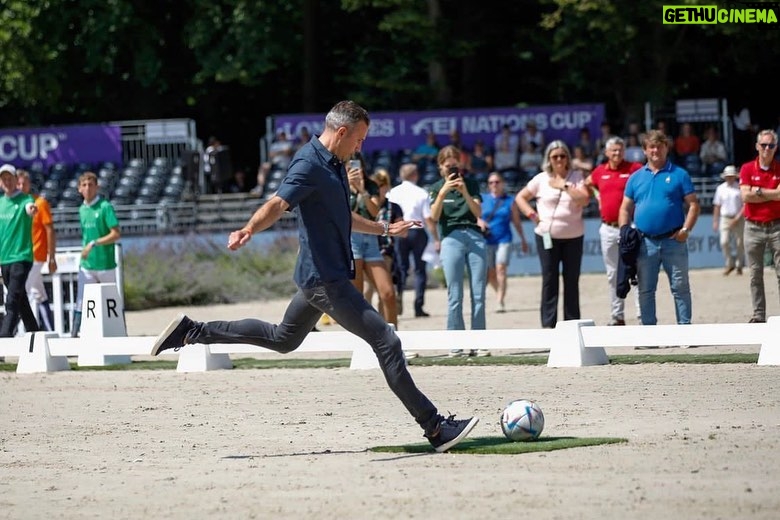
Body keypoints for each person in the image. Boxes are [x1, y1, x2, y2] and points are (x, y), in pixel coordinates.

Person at [150, 100, 479, 452]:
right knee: (387, 341)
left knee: (282, 339)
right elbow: (278, 203)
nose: (360, 147)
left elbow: (344, 216)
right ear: (341, 132)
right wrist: (248, 229)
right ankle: (434, 428)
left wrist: (385, 228)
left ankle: (193, 331)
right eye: (359, 140)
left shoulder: (337, 163)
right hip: (326, 279)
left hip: (320, 276)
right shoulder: (309, 164)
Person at [618, 130, 700, 328]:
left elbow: (694, 205)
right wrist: (624, 230)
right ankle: (649, 332)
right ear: (645, 150)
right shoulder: (635, 178)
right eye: (651, 147)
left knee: (680, 287)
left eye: (659, 146)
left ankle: (685, 329)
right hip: (645, 241)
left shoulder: (680, 175)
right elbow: (625, 207)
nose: (655, 150)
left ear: (666, 148)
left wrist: (686, 230)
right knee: (646, 289)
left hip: (674, 240)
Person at [515, 141, 591, 328]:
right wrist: (532, 215)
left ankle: (572, 323)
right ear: (548, 159)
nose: (559, 159)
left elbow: (585, 200)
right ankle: (548, 324)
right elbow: (520, 198)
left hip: (573, 236)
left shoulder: (576, 176)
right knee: (549, 279)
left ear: (568, 158)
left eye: (562, 156)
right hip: (546, 235)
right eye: (554, 156)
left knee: (571, 279)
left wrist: (564, 185)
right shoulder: (540, 179)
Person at [429, 145, 488, 357]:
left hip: (473, 234)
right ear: (440, 167)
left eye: (455, 166)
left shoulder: (470, 183)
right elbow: (434, 217)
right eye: (447, 167)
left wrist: (464, 191)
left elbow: (478, 212)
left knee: (479, 292)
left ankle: (478, 341)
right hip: (451, 237)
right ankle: (455, 342)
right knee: (454, 293)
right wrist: (444, 191)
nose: (452, 171)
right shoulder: (436, 187)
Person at [585, 137, 643, 326]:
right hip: (608, 228)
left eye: (620, 150)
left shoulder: (633, 168)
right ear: (607, 153)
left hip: (630, 228)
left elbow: (646, 182)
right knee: (612, 274)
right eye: (613, 150)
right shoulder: (600, 171)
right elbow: (588, 183)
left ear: (624, 151)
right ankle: (617, 315)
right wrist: (597, 196)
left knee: (635, 272)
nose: (617, 153)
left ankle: (643, 315)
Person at [346, 153, 398, 329]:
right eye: (351, 165)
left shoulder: (371, 185)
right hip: (350, 238)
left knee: (388, 293)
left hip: (371, 239)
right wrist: (348, 185)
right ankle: (362, 341)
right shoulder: (339, 185)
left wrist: (362, 191)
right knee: (357, 296)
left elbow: (375, 212)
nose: (355, 169)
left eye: (357, 165)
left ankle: (394, 339)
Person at [71, 171, 122, 337]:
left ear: (97, 187)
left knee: (112, 302)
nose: (87, 188)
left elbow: (115, 234)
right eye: (84, 185)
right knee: (81, 302)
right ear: (79, 189)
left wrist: (94, 243)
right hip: (87, 264)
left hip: (105, 264)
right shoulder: (81, 209)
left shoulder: (105, 207)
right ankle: (74, 338)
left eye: (90, 185)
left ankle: (121, 336)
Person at [739, 129, 780, 324]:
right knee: (755, 274)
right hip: (753, 226)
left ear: (775, 147)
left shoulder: (779, 168)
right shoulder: (747, 168)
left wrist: (758, 192)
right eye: (763, 145)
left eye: (771, 145)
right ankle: (758, 315)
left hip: (777, 225)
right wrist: (771, 192)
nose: (767, 149)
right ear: (757, 146)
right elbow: (745, 196)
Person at [387, 163, 437, 318]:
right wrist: (435, 237)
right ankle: (418, 306)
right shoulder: (421, 192)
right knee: (420, 270)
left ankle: (399, 297)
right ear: (415, 175)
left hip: (399, 229)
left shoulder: (393, 192)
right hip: (417, 231)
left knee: (401, 268)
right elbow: (428, 217)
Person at [479, 172, 528, 314]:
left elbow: (517, 222)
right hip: (487, 240)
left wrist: (523, 239)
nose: (494, 185)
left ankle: (500, 300)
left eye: (497, 182)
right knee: (490, 274)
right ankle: (499, 292)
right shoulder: (483, 199)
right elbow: (475, 215)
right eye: (491, 182)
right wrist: (479, 221)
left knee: (501, 268)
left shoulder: (510, 201)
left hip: (504, 239)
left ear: (502, 183)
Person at [0, 164, 40, 337]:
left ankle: (3, 341)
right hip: (5, 258)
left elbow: (30, 207)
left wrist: (32, 209)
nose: (7, 182)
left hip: (21, 257)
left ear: (16, 180)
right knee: (21, 300)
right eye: (4, 179)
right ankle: (36, 336)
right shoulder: (1, 203)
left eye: (10, 178)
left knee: (12, 301)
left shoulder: (25, 199)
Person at [17, 169, 57, 330]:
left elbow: (50, 230)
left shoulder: (39, 203)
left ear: (29, 184)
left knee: (19, 294)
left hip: (35, 255)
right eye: (18, 183)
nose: (20, 186)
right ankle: (50, 332)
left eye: (23, 183)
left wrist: (51, 256)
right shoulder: (13, 206)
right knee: (39, 294)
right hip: (19, 256)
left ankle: (7, 335)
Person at [363, 168, 403, 325]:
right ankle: (368, 324)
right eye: (377, 185)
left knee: (383, 292)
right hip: (366, 248)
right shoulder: (364, 202)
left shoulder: (393, 207)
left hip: (385, 250)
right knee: (366, 290)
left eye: (382, 184)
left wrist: (396, 228)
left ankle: (383, 325)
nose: (379, 188)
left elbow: (401, 228)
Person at [712, 165, 745, 276]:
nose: (730, 178)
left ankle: (739, 265)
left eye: (731, 176)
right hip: (725, 217)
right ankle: (729, 263)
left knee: (740, 242)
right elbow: (717, 205)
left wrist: (737, 218)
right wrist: (715, 220)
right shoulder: (720, 189)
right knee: (724, 241)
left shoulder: (740, 187)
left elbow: (745, 205)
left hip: (738, 217)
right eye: (728, 176)